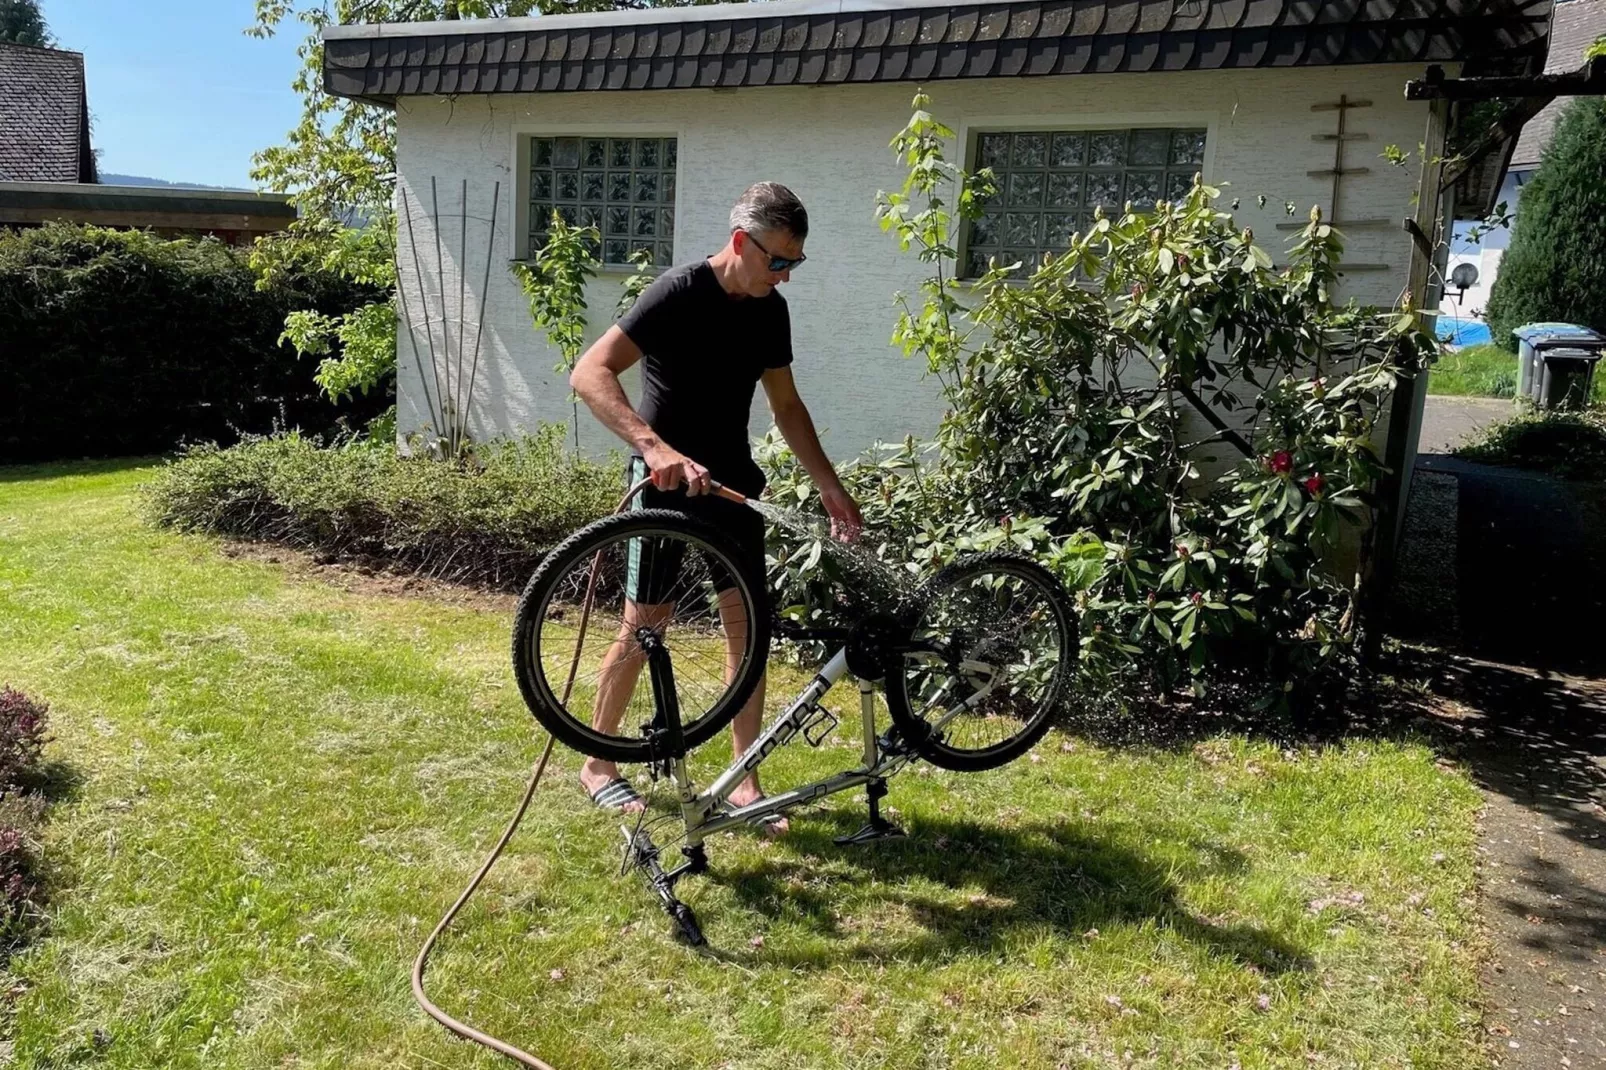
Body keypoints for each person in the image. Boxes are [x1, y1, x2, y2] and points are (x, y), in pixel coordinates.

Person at [568, 181, 863, 832]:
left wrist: (829, 485)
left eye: (795, 264)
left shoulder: (767, 312)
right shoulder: (676, 294)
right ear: (741, 243)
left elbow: (786, 407)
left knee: (748, 629)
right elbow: (590, 372)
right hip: (664, 486)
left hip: (731, 483)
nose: (784, 277)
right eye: (778, 261)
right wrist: (652, 447)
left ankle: (743, 780)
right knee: (646, 622)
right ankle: (598, 765)